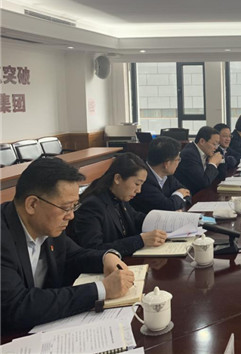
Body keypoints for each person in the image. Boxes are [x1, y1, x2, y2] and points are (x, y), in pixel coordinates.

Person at [1, 157, 134, 331]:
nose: (71, 216)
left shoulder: (47, 224)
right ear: (32, 204)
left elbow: (74, 255)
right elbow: (17, 306)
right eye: (66, 207)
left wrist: (106, 257)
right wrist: (101, 290)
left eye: (74, 206)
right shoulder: (4, 237)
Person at [71, 153, 167, 257]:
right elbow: (94, 249)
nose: (139, 190)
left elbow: (136, 217)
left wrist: (165, 221)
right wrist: (140, 240)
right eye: (136, 184)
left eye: (141, 185)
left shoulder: (119, 195)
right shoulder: (92, 205)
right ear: (117, 178)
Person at [130, 136, 190, 214]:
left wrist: (176, 203)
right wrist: (179, 194)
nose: (178, 162)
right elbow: (168, 207)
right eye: (177, 159)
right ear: (167, 164)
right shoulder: (144, 179)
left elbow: (187, 193)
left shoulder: (167, 175)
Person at [174, 126, 226, 194]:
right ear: (202, 141)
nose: (216, 148)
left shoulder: (207, 151)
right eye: (214, 144)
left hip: (202, 192)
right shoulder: (189, 154)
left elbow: (222, 176)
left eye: (217, 144)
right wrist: (213, 163)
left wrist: (219, 161)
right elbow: (203, 183)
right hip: (190, 195)